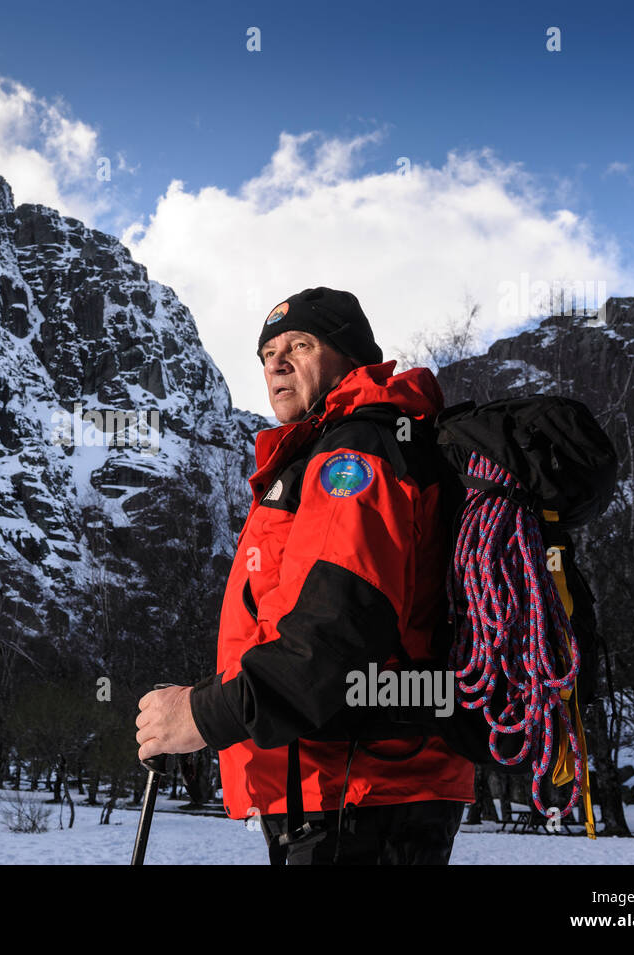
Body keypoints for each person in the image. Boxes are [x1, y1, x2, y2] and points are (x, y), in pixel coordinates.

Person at [135, 286, 475, 864]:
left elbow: (334, 636)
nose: (278, 364)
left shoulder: (355, 455)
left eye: (301, 344)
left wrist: (202, 713)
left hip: (359, 788)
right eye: (267, 354)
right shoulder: (326, 454)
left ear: (352, 358)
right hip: (341, 785)